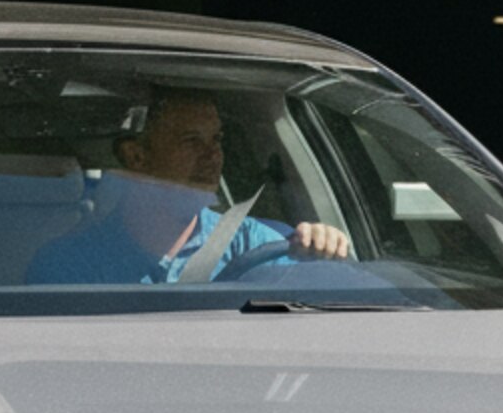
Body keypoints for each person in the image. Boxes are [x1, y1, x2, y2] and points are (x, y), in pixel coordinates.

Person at [29, 89, 352, 286]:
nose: (213, 156)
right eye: (191, 141)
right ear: (137, 156)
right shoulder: (69, 266)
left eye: (217, 139)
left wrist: (324, 251)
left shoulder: (253, 245)